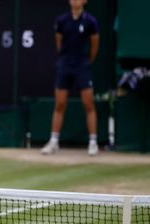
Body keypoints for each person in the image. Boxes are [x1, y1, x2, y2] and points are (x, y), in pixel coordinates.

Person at [41, 0, 100, 156]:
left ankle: (93, 142)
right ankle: (54, 141)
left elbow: (94, 46)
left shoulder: (90, 21)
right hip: (65, 65)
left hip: (82, 66)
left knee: (89, 104)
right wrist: (64, 60)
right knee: (60, 104)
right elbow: (59, 43)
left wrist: (86, 61)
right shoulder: (62, 21)